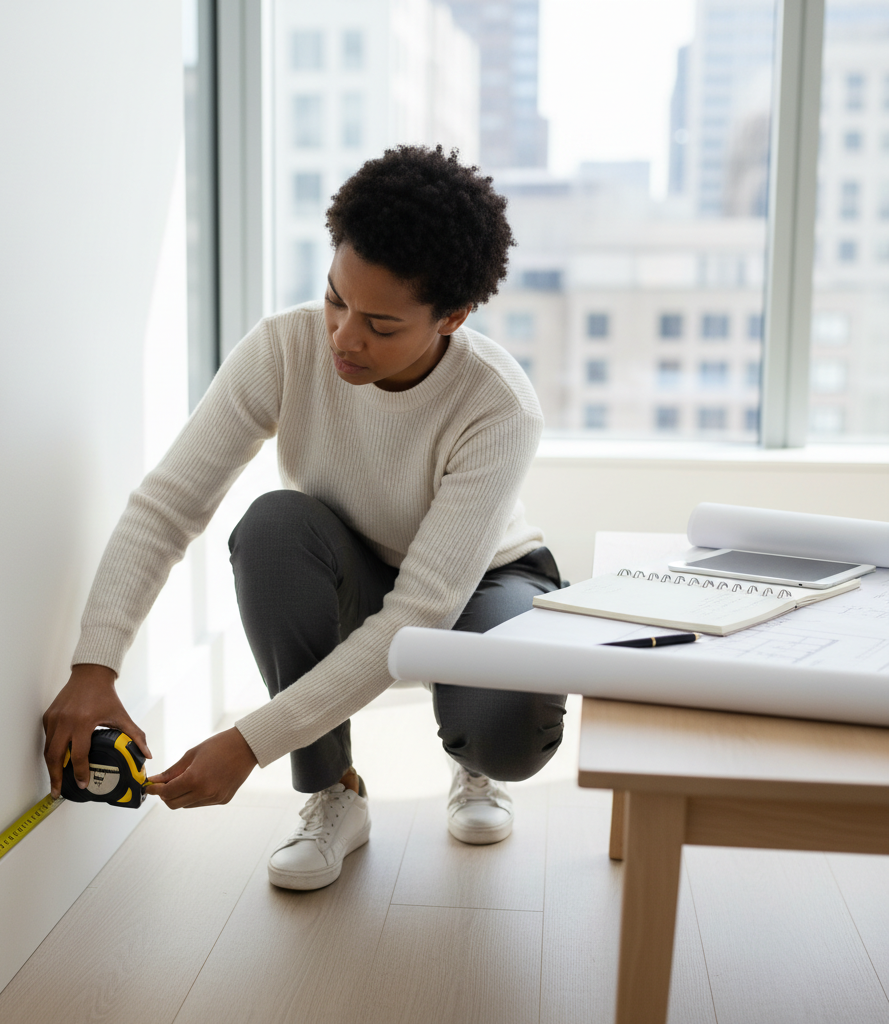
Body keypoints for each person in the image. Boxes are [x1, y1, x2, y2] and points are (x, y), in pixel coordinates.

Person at [42, 144, 567, 892]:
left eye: (381, 326)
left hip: (479, 580)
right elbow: (168, 505)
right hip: (348, 559)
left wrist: (248, 744)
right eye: (335, 299)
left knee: (506, 732)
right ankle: (333, 790)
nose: (344, 338)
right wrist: (93, 668)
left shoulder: (499, 405)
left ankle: (476, 765)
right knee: (273, 529)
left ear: (452, 317)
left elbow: (421, 610)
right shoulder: (285, 348)